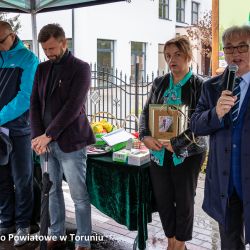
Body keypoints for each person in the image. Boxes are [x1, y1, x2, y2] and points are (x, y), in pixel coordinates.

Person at [30, 23, 95, 250]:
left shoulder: (81, 68)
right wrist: (38, 136)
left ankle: (84, 240)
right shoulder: (42, 69)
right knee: (52, 190)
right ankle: (56, 233)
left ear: (64, 42)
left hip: (71, 143)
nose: (49, 54)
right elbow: (34, 105)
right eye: (45, 50)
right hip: (45, 144)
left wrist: (48, 135)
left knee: (78, 194)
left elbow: (72, 107)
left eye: (52, 48)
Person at [139, 36, 207, 250]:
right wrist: (145, 136)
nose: (172, 60)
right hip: (159, 152)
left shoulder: (199, 86)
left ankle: (177, 245)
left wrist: (177, 144)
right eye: (168, 56)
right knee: (164, 199)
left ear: (188, 55)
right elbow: (145, 113)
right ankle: (173, 242)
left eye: (177, 54)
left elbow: (202, 126)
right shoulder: (159, 83)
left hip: (187, 154)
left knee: (184, 200)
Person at [190, 25, 250, 250]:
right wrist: (215, 113)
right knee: (230, 243)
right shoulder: (212, 87)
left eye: (242, 46)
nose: (235, 54)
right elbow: (195, 124)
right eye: (229, 48)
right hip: (226, 183)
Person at [0, 21, 39, 246]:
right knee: (2, 178)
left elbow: (25, 98)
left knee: (22, 178)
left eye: (2, 42)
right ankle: (7, 220)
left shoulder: (28, 59)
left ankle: (24, 224)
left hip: (20, 130)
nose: (0, 47)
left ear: (12, 35)